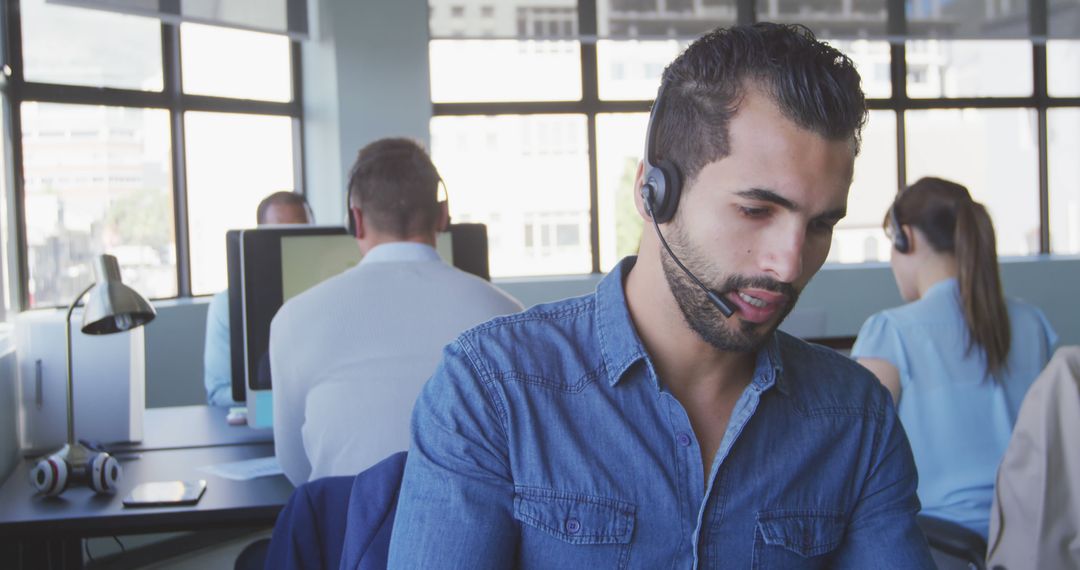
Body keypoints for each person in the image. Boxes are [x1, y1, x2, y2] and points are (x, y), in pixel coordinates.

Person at [388, 23, 934, 568]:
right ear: (653, 192)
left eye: (819, 225)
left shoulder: (856, 417)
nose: (788, 264)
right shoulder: (492, 391)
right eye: (755, 211)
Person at [269, 138, 523, 485]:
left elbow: (296, 470)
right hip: (471, 535)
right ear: (443, 215)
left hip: (346, 535)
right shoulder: (507, 315)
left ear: (355, 220)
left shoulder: (293, 318)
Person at [852, 177, 1057, 539]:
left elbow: (853, 453)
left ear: (907, 239)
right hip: (1035, 537)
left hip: (940, 543)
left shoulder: (891, 332)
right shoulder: (1033, 322)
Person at [203, 191, 314, 407]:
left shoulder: (332, 299)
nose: (290, 243)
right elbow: (219, 393)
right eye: (278, 233)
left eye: (301, 231)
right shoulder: (227, 305)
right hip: (261, 421)